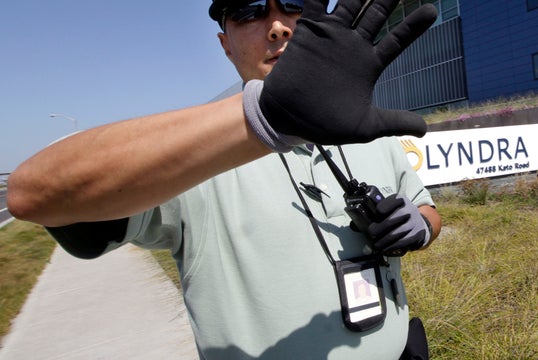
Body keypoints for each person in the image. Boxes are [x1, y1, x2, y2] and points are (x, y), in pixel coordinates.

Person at [7, 0, 442, 358]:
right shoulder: (195, 156)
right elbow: (33, 194)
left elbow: (427, 207)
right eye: (249, 10)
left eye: (293, 4)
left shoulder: (366, 127)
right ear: (225, 45)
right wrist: (265, 119)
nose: (277, 25)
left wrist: (420, 226)